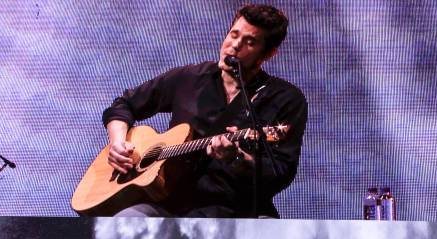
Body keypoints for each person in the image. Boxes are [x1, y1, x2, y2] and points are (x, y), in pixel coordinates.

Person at [102, 4, 307, 218]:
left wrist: (237, 159)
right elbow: (123, 105)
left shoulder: (285, 99)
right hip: (166, 203)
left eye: (250, 42)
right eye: (233, 34)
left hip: (233, 209)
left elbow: (280, 173)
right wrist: (118, 143)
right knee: (126, 221)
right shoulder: (189, 78)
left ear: (269, 54)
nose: (235, 46)